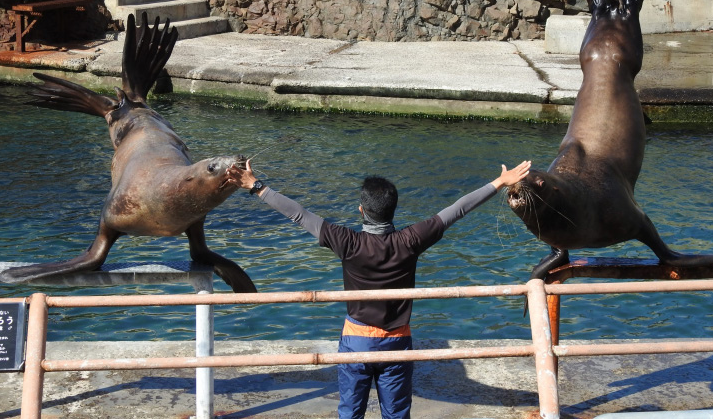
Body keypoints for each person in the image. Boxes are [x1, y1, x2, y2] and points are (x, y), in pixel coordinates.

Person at [226, 159, 531, 419]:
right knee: (397, 414)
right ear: (393, 209)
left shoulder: (348, 242)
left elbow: (299, 214)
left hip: (356, 342)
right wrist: (500, 182)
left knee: (350, 411)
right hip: (397, 343)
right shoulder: (410, 241)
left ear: (361, 210)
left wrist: (257, 186)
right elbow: (457, 210)